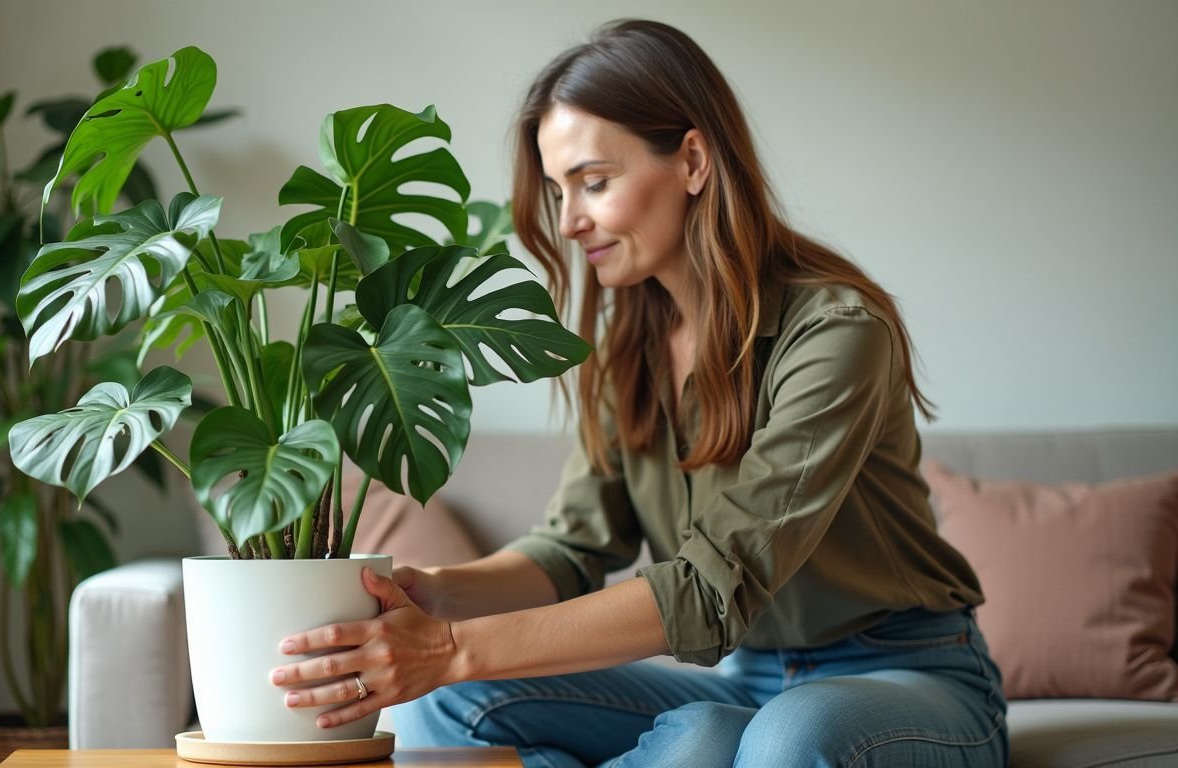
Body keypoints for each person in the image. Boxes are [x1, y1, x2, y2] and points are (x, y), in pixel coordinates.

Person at [269, 19, 1008, 768]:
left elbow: (714, 587)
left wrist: (456, 648)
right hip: (746, 683)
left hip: (906, 673)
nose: (567, 221)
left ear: (691, 160)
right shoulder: (627, 349)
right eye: (559, 191)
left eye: (593, 182)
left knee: (787, 740)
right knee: (480, 704)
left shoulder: (838, 332)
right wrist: (436, 596)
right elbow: (571, 549)